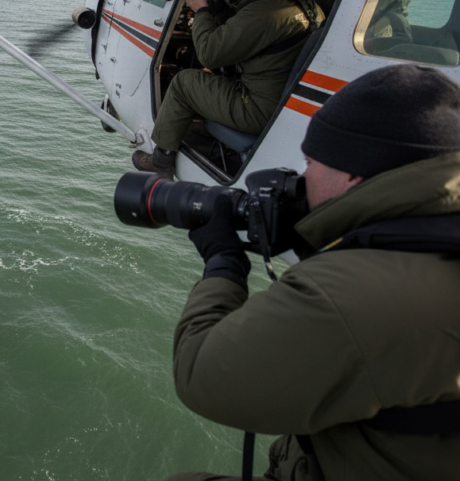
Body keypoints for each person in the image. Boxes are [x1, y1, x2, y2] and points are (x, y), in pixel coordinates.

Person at [168, 64, 460, 480]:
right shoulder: (433, 239)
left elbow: (201, 375)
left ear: (353, 172)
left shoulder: (349, 295)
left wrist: (223, 264)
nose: (302, 178)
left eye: (310, 162)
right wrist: (320, 235)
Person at [133, 0, 323, 176]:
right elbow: (250, 35)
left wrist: (201, 11)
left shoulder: (265, 12)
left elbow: (210, 54)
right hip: (287, 104)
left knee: (184, 83)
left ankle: (162, 160)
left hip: (257, 109)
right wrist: (221, 11)